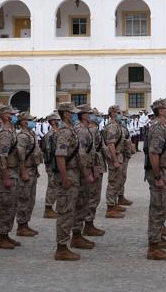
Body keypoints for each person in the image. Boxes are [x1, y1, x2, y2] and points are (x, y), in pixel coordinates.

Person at [145, 98, 166, 260]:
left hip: (164, 172)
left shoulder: (162, 127)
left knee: (161, 207)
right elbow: (153, 154)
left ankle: (158, 237)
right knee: (157, 208)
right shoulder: (158, 128)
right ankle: (153, 247)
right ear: (162, 111)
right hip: (159, 173)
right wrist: (157, 176)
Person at [53, 102, 82, 261]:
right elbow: (60, 156)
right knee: (65, 212)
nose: (74, 115)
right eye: (72, 113)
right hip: (68, 175)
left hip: (73, 174)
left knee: (70, 210)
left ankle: (65, 244)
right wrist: (64, 177)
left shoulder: (70, 130)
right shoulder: (64, 132)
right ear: (65, 114)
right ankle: (61, 248)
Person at [0, 105, 22, 250]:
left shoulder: (10, 131)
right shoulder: (4, 133)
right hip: (8, 172)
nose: (14, 116)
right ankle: (1, 237)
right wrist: (5, 177)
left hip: (13, 171)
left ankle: (5, 235)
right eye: (12, 114)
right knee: (6, 205)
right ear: (5, 115)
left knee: (12, 205)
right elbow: (2, 156)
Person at [71, 104, 99, 248]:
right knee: (80, 202)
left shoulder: (86, 129)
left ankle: (79, 232)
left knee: (85, 202)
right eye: (89, 113)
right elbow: (81, 154)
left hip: (86, 169)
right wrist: (87, 173)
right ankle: (76, 235)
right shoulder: (81, 131)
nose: (91, 115)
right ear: (83, 115)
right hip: (82, 173)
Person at [15, 111, 42, 236]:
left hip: (32, 169)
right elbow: (20, 156)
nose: (32, 122)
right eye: (30, 120)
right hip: (26, 170)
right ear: (23, 122)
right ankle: (21, 225)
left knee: (31, 199)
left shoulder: (31, 134)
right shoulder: (22, 136)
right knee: (24, 198)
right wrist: (23, 171)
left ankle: (26, 223)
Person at [103, 105, 128, 218]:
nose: (120, 114)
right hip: (115, 157)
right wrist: (115, 160)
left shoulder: (117, 125)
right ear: (112, 113)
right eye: (118, 112)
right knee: (113, 182)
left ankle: (114, 203)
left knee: (118, 180)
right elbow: (111, 144)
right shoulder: (112, 127)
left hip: (120, 156)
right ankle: (110, 208)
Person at [42, 111, 61, 219]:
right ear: (53, 122)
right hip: (52, 164)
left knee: (57, 185)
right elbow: (51, 151)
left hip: (55, 163)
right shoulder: (51, 134)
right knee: (52, 185)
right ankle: (48, 209)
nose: (60, 121)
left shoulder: (56, 132)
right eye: (58, 120)